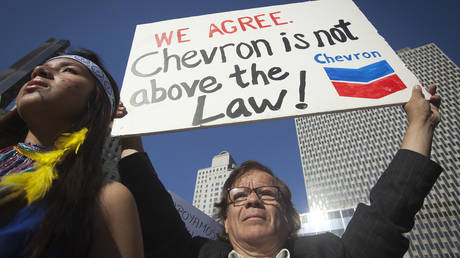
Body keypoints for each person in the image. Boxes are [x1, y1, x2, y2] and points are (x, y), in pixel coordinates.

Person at [118, 84, 442, 258]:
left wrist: (421, 123)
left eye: (267, 193)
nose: (253, 200)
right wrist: (129, 132)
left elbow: (388, 213)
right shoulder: (194, 255)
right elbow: (150, 204)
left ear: (289, 218)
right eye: (240, 195)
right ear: (225, 223)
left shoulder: (329, 253)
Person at [0, 50, 144, 258]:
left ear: (94, 103)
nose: (39, 70)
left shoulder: (107, 198)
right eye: (40, 70)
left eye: (68, 70)